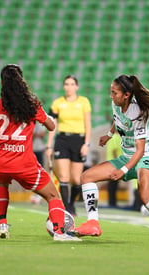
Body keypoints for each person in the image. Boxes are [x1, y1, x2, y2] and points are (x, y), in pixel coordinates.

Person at [73, 75, 149, 244]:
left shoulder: (138, 113)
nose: (111, 96)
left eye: (114, 93)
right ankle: (93, 223)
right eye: (111, 92)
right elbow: (118, 120)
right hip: (127, 156)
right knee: (86, 177)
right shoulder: (116, 103)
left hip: (147, 156)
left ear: (126, 95)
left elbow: (140, 151)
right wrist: (109, 135)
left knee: (145, 197)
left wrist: (123, 171)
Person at [0, 64, 80, 241]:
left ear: (2, 83)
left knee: (2, 183)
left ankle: (2, 223)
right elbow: (51, 126)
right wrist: (42, 115)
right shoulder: (31, 105)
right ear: (22, 82)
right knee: (53, 195)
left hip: (0, 162)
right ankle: (59, 232)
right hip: (24, 164)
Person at [46, 75, 92, 216]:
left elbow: (88, 124)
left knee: (77, 179)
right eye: (66, 84)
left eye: (72, 84)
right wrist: (49, 146)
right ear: (63, 86)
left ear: (76, 87)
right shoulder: (57, 103)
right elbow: (52, 125)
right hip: (62, 140)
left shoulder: (84, 102)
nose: (69, 87)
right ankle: (67, 208)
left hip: (79, 140)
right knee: (64, 177)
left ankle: (71, 203)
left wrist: (86, 144)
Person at [106, 131, 122, 207]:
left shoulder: (112, 137)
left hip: (111, 163)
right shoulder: (116, 137)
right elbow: (114, 151)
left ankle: (112, 201)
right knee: (113, 184)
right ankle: (112, 202)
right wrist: (118, 163)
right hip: (115, 164)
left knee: (112, 184)